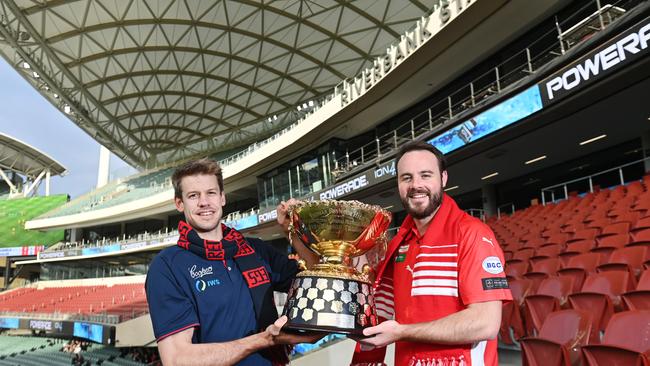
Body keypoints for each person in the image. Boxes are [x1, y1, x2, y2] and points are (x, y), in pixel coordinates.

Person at [351, 141, 512, 366]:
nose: (416, 185)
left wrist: (402, 332)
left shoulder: (472, 234)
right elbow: (368, 303)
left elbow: (486, 322)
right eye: (406, 177)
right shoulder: (397, 244)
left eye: (425, 175)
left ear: (443, 178)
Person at [145, 158, 320, 366]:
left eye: (211, 193)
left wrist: (293, 232)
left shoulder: (255, 249)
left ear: (222, 198)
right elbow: (177, 359)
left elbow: (315, 280)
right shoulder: (167, 266)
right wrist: (264, 340)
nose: (204, 202)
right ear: (179, 203)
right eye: (193, 196)